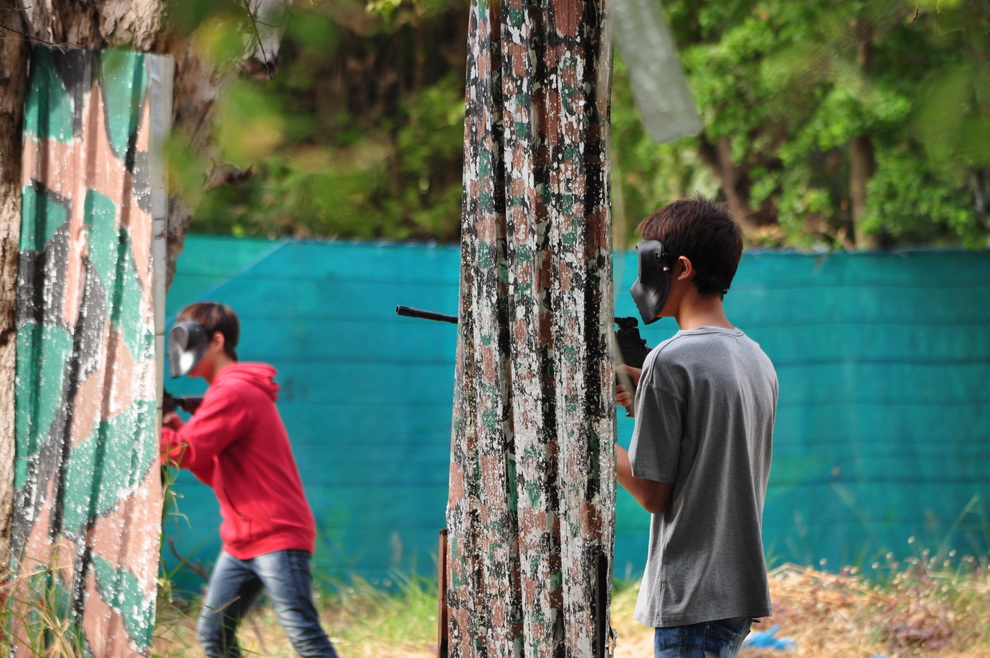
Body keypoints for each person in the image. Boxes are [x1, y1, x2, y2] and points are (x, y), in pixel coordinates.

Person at [615, 197, 778, 658]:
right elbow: (709, 442)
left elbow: (653, 493)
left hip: (691, 596)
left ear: (681, 268)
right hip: (734, 594)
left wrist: (589, 442)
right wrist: (646, 396)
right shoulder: (755, 357)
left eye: (650, 260)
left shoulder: (672, 359)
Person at [161, 302, 339, 658]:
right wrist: (173, 426)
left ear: (216, 341)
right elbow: (212, 468)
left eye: (188, 338)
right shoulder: (227, 391)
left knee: (304, 636)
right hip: (243, 539)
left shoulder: (233, 391)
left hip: (275, 535)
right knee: (215, 634)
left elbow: (186, 452)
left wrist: (157, 428)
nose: (179, 349)